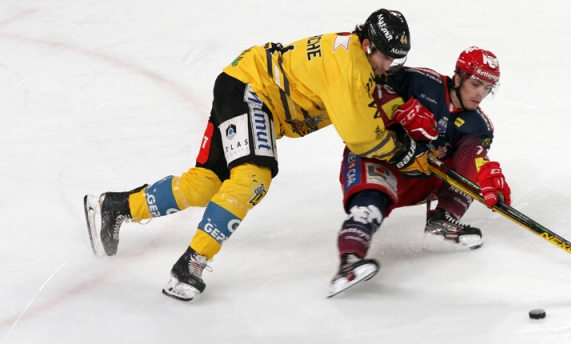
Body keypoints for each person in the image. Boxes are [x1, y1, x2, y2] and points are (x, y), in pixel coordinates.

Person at [82, 8, 426, 301]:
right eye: (386, 57)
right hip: (252, 92)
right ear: (367, 45)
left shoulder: (357, 56)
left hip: (241, 83)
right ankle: (191, 262)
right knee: (254, 178)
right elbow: (362, 138)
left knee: (205, 184)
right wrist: (404, 150)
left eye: (398, 59)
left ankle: (115, 206)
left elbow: (366, 110)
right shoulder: (351, 67)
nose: (390, 65)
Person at [328, 46, 513, 297]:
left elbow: (472, 157)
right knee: (369, 208)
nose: (481, 93)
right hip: (376, 158)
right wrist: (395, 110)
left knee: (468, 163)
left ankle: (443, 219)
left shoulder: (478, 125)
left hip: (418, 175)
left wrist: (485, 176)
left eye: (488, 88)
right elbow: (372, 81)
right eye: (476, 83)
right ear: (458, 77)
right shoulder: (421, 81)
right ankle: (349, 262)